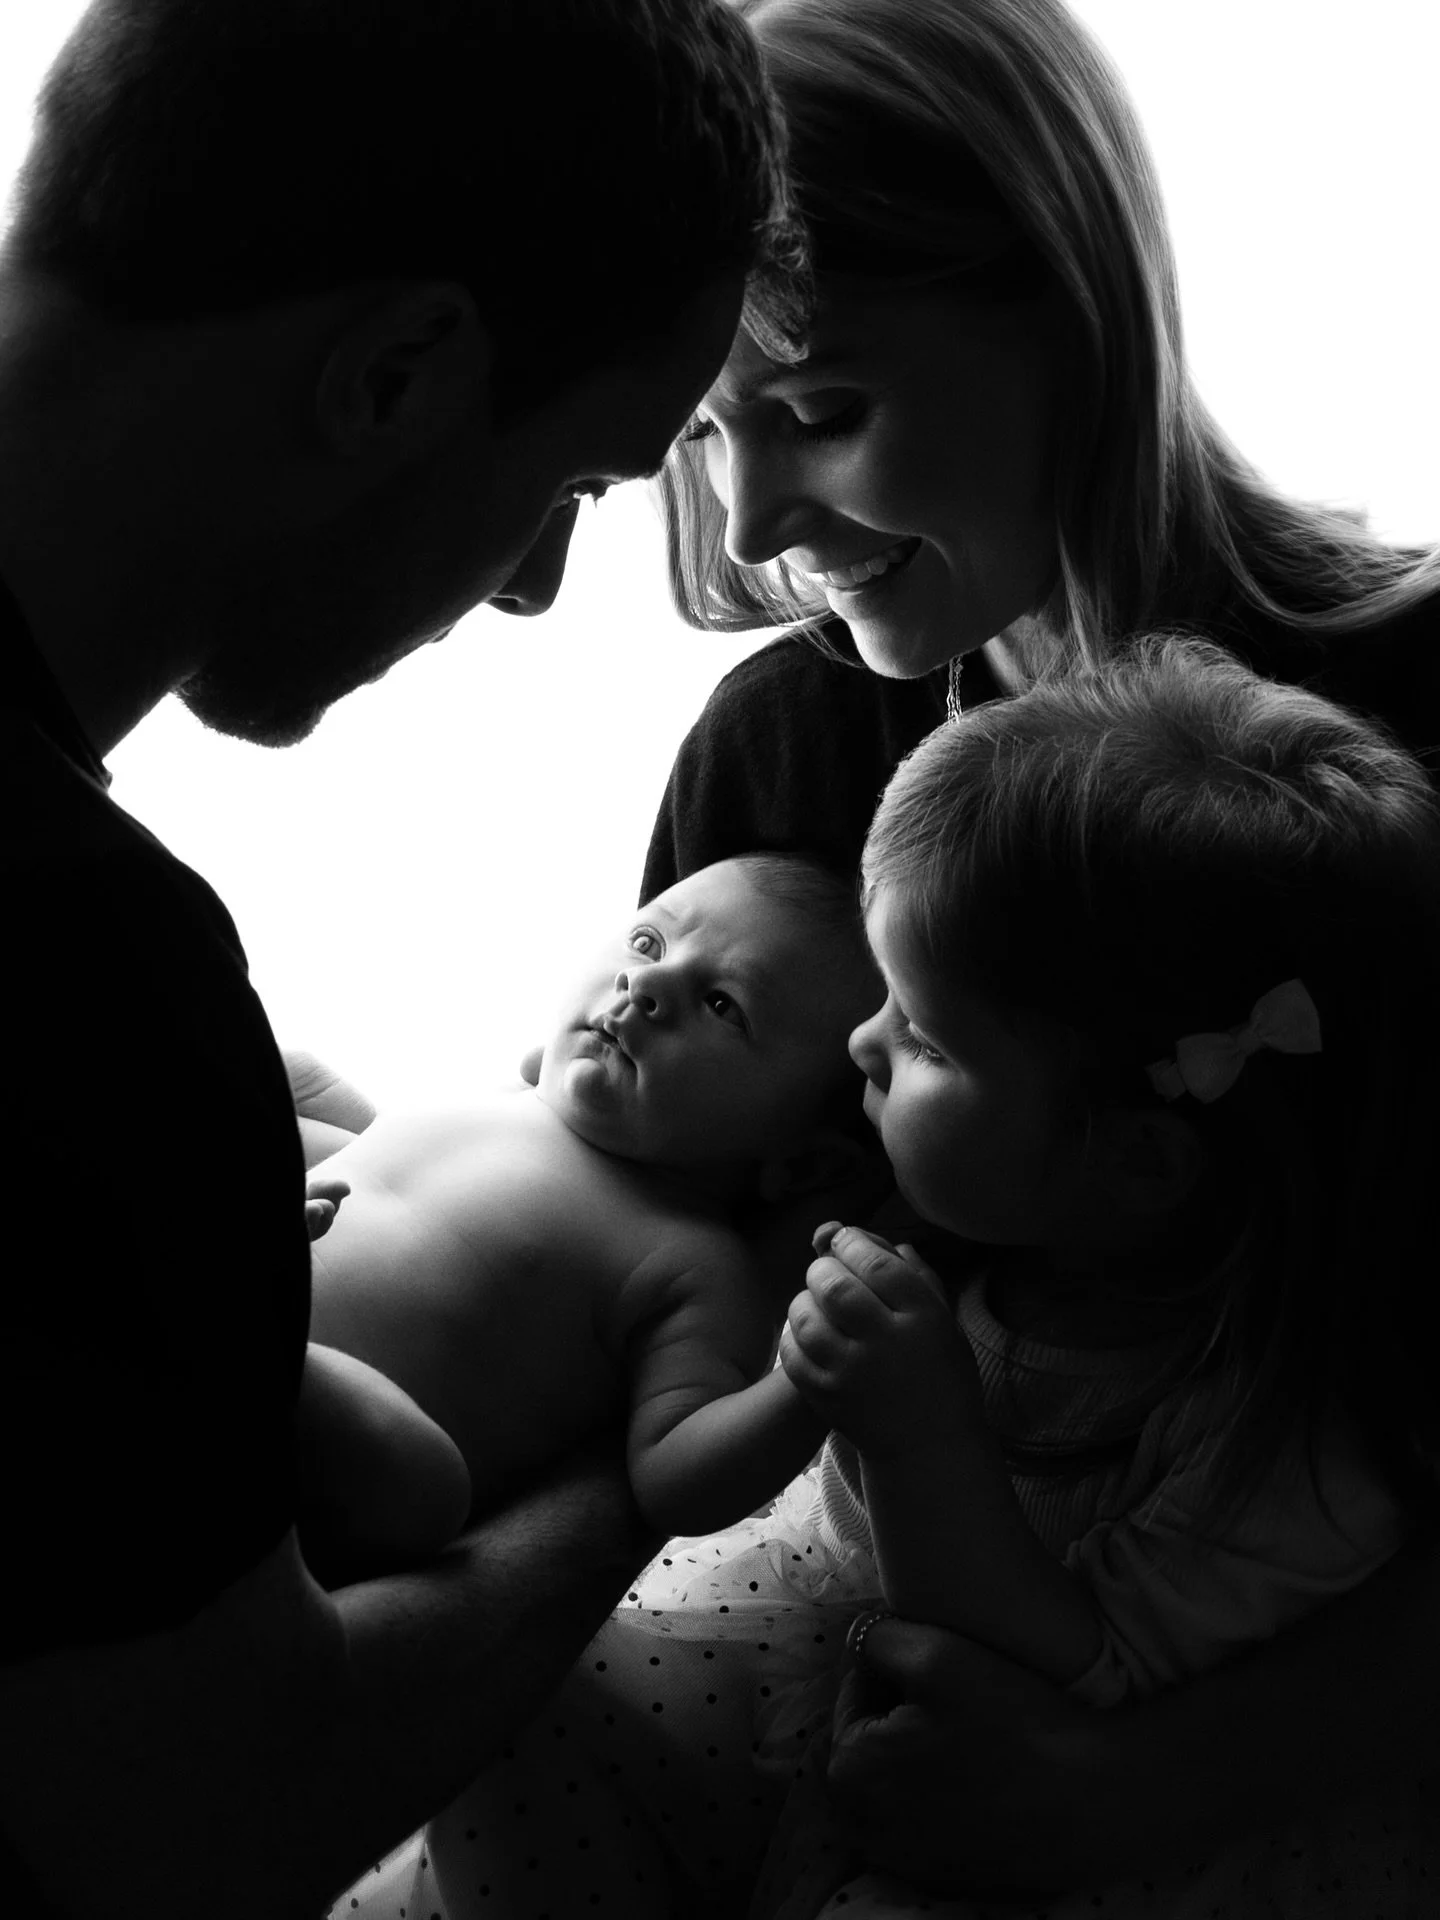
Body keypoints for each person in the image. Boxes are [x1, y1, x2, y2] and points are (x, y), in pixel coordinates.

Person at [0, 1, 807, 1914]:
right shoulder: (83, 982)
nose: (523, 588)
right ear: (394, 379)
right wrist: (627, 1457)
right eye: (574, 491)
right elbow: (208, 1821)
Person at [628, 0, 1440, 1897]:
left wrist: (1133, 1789)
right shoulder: (780, 756)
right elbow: (665, 1246)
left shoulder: (1407, 733)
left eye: (823, 411)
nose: (751, 524)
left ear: (1074, 311)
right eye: (693, 429)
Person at [751, 641, 1440, 1916]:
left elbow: (1033, 1695)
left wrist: (920, 1435)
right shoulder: (1012, 1224)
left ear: (1135, 1162)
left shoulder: (1283, 1441)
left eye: (921, 1033)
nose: (860, 1039)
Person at [296, 854, 879, 1581]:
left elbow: (677, 1478)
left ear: (803, 1164)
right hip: (191, 1347)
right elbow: (395, 1198)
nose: (648, 983)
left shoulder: (691, 1260)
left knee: (424, 1485)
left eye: (723, 1004)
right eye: (648, 943)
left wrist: (807, 1384)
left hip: (325, 1457)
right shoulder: (513, 1099)